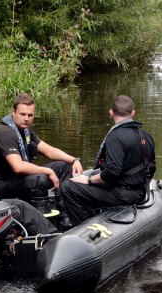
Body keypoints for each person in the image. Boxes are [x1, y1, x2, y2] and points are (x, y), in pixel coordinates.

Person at [59, 95, 156, 226]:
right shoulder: (145, 135)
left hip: (123, 194)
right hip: (139, 191)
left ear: (111, 113)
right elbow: (151, 166)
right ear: (133, 113)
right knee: (92, 176)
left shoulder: (115, 137)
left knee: (67, 188)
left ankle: (81, 229)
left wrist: (89, 180)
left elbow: (113, 170)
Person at [0, 94, 83, 205]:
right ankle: (40, 213)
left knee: (62, 167)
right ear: (13, 112)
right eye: (22, 114)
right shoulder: (5, 133)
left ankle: (64, 213)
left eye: (30, 115)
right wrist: (48, 171)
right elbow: (18, 167)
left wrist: (74, 160)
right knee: (39, 179)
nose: (26, 119)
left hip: (16, 179)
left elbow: (49, 151)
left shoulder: (25, 131)